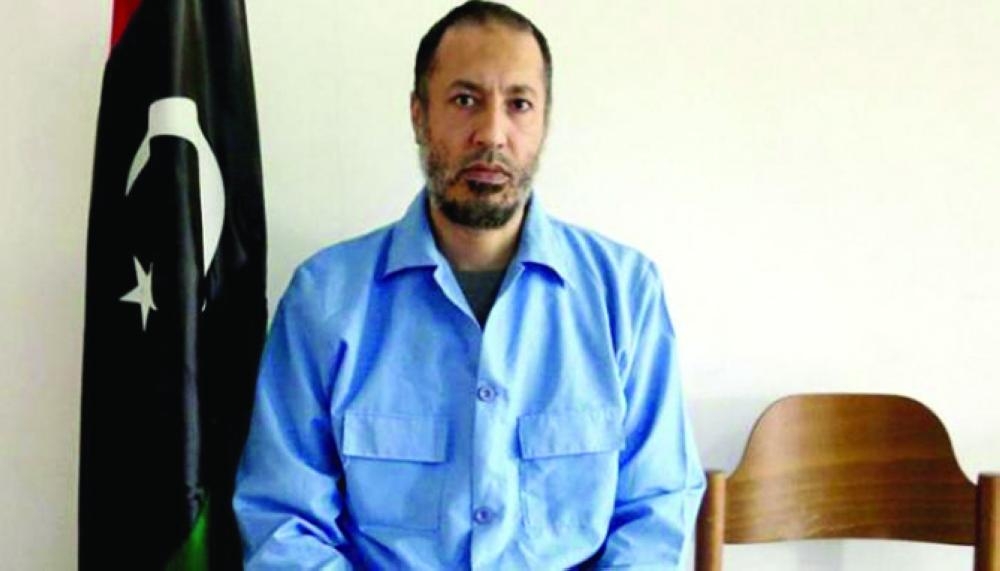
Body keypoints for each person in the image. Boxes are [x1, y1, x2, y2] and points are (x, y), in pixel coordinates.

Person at [233, 1, 706, 569]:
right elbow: (283, 522)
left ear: (545, 122)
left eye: (519, 104)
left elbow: (655, 512)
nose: (492, 134)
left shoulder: (625, 296)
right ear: (419, 116)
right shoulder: (324, 299)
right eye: (465, 100)